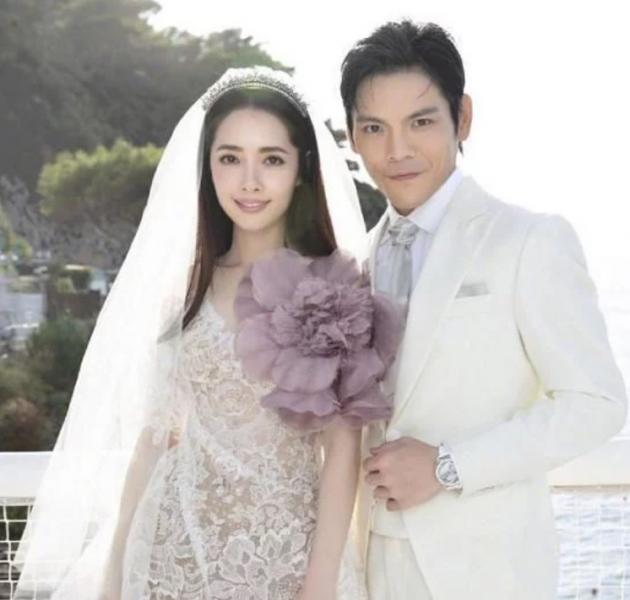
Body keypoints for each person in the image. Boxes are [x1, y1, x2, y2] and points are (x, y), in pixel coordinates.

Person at [15, 67, 372, 600]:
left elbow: (343, 449)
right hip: (170, 555)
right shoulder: (184, 291)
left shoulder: (332, 288)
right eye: (229, 158)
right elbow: (154, 440)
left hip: (285, 559)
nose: (249, 181)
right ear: (208, 167)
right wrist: (113, 574)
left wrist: (319, 585)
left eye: (272, 159)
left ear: (301, 169)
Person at [340, 20, 628, 600]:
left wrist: (447, 466)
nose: (397, 150)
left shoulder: (529, 241)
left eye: (421, 122)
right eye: (374, 128)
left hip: (487, 573)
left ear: (462, 118)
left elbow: (596, 405)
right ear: (352, 136)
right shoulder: (352, 262)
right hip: (370, 570)